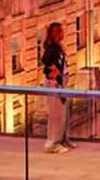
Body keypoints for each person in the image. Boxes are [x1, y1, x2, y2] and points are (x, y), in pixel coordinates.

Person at [40, 22, 75, 154]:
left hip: (61, 83)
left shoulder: (58, 48)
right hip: (54, 84)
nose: (63, 34)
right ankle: (52, 144)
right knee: (56, 114)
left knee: (63, 113)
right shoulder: (52, 49)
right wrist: (54, 69)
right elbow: (45, 59)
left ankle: (63, 139)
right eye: (61, 32)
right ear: (56, 34)